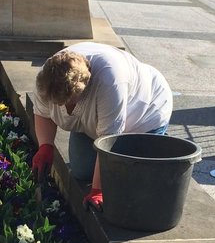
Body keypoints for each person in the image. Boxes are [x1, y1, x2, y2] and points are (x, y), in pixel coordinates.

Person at [31, 43, 173, 211]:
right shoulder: (48, 76)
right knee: (81, 171)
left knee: (131, 181)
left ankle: (155, 142)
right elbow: (43, 112)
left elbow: (108, 140)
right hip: (94, 122)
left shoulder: (110, 80)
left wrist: (97, 190)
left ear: (82, 90)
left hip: (145, 112)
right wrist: (45, 145)